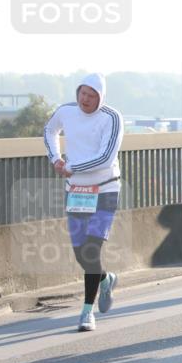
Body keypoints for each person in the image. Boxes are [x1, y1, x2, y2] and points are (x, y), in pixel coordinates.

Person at [43, 73, 123, 332]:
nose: (85, 100)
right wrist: (55, 158)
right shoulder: (66, 112)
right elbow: (49, 130)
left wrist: (71, 167)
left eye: (91, 96)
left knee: (91, 249)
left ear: (101, 97)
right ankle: (105, 278)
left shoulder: (111, 118)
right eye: (82, 93)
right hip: (76, 191)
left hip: (105, 190)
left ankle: (87, 312)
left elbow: (105, 158)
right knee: (80, 251)